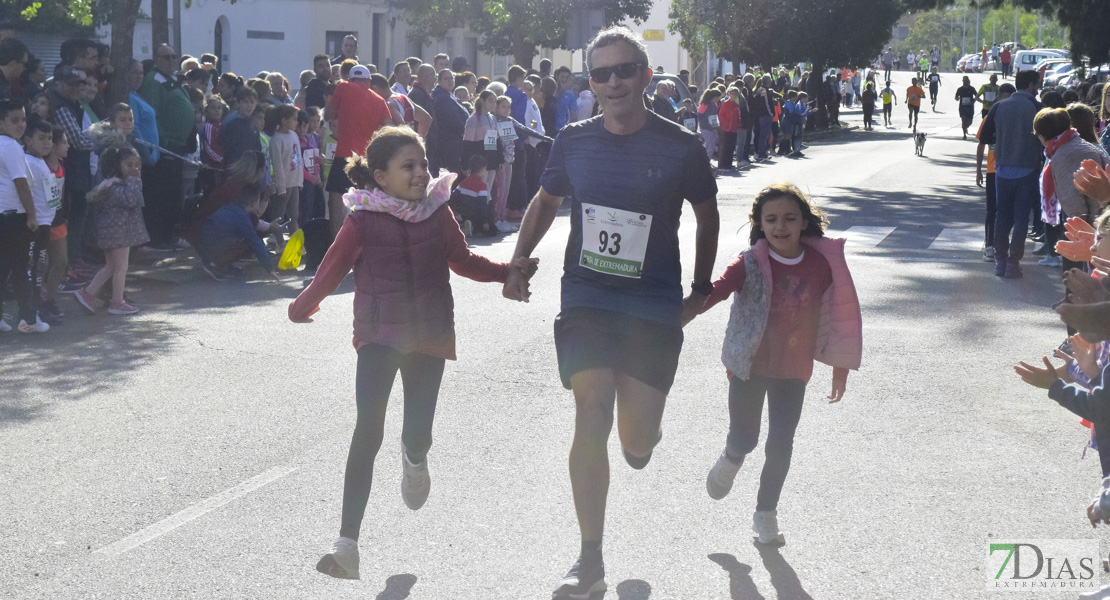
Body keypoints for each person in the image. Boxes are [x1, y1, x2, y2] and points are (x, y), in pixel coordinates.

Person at [501, 27, 720, 598]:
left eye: (625, 70)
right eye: (602, 74)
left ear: (646, 76)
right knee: (590, 408)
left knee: (636, 435)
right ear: (590, 84)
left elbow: (706, 212)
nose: (614, 82)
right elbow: (546, 200)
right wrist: (519, 260)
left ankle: (640, 440)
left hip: (652, 302)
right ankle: (589, 558)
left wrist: (699, 288)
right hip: (588, 296)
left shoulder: (681, 146)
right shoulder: (572, 140)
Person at [289, 126, 531, 581]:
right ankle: (346, 544)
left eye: (422, 163)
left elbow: (463, 261)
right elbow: (330, 271)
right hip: (379, 336)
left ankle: (415, 460)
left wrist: (507, 273)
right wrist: (302, 306)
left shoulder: (437, 212)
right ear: (380, 177)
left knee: (417, 433)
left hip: (430, 335)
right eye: (409, 167)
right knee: (367, 431)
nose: (421, 173)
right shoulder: (361, 220)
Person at [691, 183, 861, 546]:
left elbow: (837, 317)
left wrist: (840, 366)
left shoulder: (821, 266)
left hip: (793, 371)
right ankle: (731, 457)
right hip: (749, 366)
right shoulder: (749, 263)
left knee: (781, 444)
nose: (780, 226)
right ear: (759, 223)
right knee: (746, 438)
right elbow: (715, 292)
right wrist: (673, 318)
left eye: (789, 218)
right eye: (771, 219)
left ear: (804, 223)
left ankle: (765, 515)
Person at [979, 69, 1044, 278]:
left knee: (1002, 216)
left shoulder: (998, 106)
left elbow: (986, 136)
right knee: (1021, 218)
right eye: (1037, 84)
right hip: (1028, 170)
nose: (1038, 88)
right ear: (1031, 85)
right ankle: (1013, 263)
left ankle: (1000, 261)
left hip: (1002, 170)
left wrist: (1003, 142)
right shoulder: (1037, 107)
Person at [74, 146, 147, 316]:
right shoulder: (117, 185)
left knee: (112, 266)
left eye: (137, 166)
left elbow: (138, 201)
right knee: (121, 267)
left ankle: (88, 293)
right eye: (129, 165)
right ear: (117, 165)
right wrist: (135, 182)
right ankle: (117, 302)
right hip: (118, 233)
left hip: (115, 232)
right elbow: (130, 200)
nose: (134, 169)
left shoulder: (114, 184)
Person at [323, 64, 392, 238]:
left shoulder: (344, 87)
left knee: (336, 198)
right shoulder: (379, 100)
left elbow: (328, 115)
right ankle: (365, 242)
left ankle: (336, 242)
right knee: (367, 200)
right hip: (367, 158)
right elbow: (389, 129)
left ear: (350, 79)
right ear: (369, 81)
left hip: (344, 155)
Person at [139, 44, 196, 251]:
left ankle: (168, 234)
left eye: (174, 57)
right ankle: (156, 237)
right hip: (165, 148)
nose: (171, 61)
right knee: (160, 195)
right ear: (156, 59)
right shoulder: (153, 81)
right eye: (166, 57)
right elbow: (150, 114)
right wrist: (164, 141)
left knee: (173, 194)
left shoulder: (171, 80)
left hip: (178, 147)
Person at [195, 183, 280, 281]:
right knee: (248, 244)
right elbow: (255, 241)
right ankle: (214, 265)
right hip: (212, 247)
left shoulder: (232, 207)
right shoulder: (242, 217)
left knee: (245, 239)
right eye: (258, 201)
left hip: (203, 243)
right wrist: (269, 268)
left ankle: (221, 264)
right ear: (253, 203)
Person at [975, 83, 1016, 262]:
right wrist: (978, 170)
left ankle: (1003, 244)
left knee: (1008, 210)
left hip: (1013, 170)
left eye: (1010, 98)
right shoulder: (990, 117)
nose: (1006, 101)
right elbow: (981, 144)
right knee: (992, 209)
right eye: (1003, 97)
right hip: (993, 170)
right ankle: (990, 245)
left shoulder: (1018, 119)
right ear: (998, 98)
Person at [38, 125, 69, 324]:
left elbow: (61, 194)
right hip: (41, 221)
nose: (68, 146)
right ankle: (37, 302)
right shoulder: (40, 166)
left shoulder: (61, 166)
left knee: (61, 261)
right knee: (42, 264)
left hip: (57, 220)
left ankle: (49, 299)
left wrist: (64, 215)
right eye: (64, 142)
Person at [267, 103, 303, 234]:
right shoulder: (276, 139)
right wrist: (281, 187)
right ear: (283, 120)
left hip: (294, 183)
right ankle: (279, 242)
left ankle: (295, 240)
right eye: (294, 119)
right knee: (279, 215)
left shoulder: (294, 135)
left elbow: (298, 157)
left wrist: (300, 180)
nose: (296, 122)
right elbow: (277, 165)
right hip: (284, 184)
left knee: (294, 214)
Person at [432, 68, 469, 175]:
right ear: (439, 81)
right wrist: (464, 133)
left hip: (454, 145)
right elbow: (453, 120)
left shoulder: (449, 95)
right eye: (446, 78)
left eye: (451, 78)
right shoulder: (442, 97)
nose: (450, 81)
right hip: (449, 145)